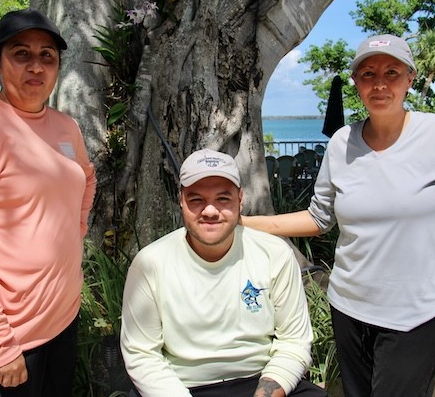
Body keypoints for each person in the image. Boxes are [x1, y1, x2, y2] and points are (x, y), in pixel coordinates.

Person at [242, 34, 435, 397]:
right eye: (368, 74)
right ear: (356, 82)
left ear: (410, 79)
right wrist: (245, 223)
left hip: (417, 315)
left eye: (392, 72)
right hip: (349, 309)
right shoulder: (341, 143)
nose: (380, 84)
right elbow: (319, 217)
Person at [0, 8, 97, 396]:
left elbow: (86, 178)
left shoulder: (66, 127)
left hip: (61, 321)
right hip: (1, 338)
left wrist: (74, 232)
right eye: (21, 53)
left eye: (47, 56)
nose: (36, 66)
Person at [120, 148, 326, 397]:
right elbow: (142, 355)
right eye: (197, 200)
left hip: (261, 381)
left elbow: (294, 342)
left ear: (240, 199)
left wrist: (267, 392)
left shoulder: (275, 254)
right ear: (181, 200)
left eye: (222, 199)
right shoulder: (150, 264)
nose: (210, 211)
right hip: (180, 387)